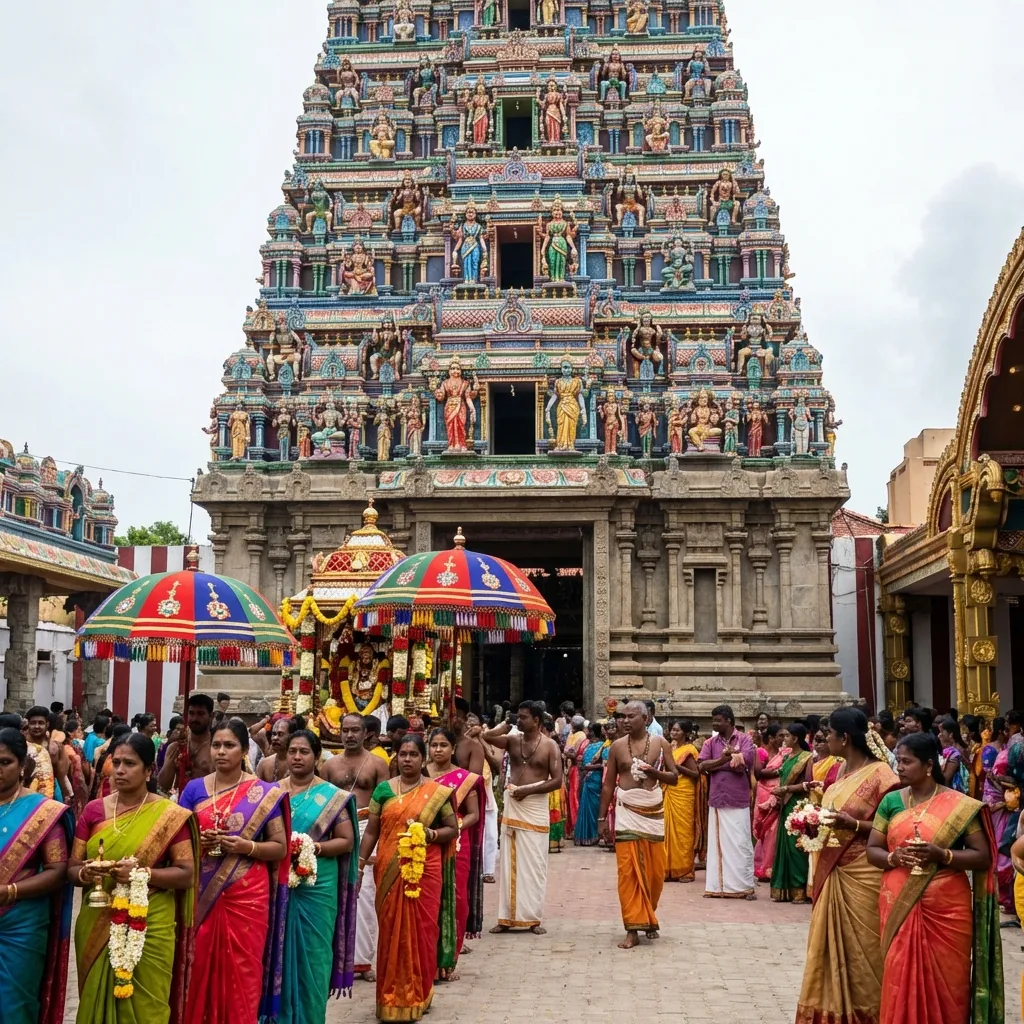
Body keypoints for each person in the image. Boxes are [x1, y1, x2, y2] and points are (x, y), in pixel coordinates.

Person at [866, 731, 1003, 1024]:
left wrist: (943, 855)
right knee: (899, 972)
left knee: (948, 982)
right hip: (898, 900)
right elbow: (872, 850)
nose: (899, 767)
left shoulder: (959, 805)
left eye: (906, 761)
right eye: (898, 761)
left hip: (947, 908)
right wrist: (894, 858)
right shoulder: (891, 801)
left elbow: (982, 857)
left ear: (929, 765)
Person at [68, 733, 197, 1024]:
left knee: (148, 1006)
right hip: (98, 917)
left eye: (130, 763)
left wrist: (141, 874)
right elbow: (72, 868)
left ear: (149, 770)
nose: (120, 770)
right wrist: (85, 872)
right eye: (116, 762)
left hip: (151, 921)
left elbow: (186, 874)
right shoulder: (93, 811)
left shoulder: (169, 816)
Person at [178, 719, 290, 1024]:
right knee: (198, 962)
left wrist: (245, 847)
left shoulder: (264, 793)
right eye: (216, 745)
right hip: (201, 889)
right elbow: (178, 839)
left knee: (243, 968)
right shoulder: (193, 790)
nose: (221, 752)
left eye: (229, 745)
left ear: (244, 751)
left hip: (247, 893)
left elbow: (280, 847)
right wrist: (200, 841)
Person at [795, 708, 899, 1024]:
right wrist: (810, 825)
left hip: (864, 873)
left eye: (829, 736)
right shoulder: (840, 772)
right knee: (828, 949)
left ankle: (874, 1013)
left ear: (846, 738)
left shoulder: (884, 776)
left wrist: (853, 824)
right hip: (834, 869)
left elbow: (894, 827)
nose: (824, 740)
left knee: (865, 950)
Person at [357, 734, 459, 1022]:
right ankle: (391, 998)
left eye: (414, 754)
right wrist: (361, 864)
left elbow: (452, 828)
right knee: (391, 931)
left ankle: (420, 993)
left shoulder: (436, 792)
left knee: (423, 932)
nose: (407, 759)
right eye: (403, 754)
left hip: (425, 870)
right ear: (396, 757)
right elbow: (372, 832)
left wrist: (431, 834)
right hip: (389, 869)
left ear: (422, 758)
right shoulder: (383, 792)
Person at [278, 730, 359, 1024]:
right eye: (292, 751)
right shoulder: (272, 793)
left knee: (314, 956)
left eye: (304, 752)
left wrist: (312, 847)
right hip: (280, 885)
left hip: (318, 885)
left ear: (316, 756)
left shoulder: (331, 797)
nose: (297, 757)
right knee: (278, 954)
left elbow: (346, 841)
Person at [0, 727, 72, 1024]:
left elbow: (58, 872)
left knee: (14, 1005)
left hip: (22, 924)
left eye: (4, 762)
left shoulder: (43, 811)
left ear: (22, 766)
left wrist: (10, 892)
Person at [599, 701, 677, 948]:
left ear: (645, 718)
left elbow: (674, 778)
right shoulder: (617, 748)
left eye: (631, 716)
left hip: (653, 811)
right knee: (628, 871)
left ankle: (648, 917)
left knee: (654, 873)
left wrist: (654, 774)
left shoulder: (660, 744)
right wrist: (602, 819)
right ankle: (632, 927)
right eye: (623, 716)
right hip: (626, 812)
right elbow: (609, 784)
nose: (625, 721)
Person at [322, 711, 390, 982]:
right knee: (336, 891)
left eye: (355, 730)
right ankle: (336, 958)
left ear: (366, 734)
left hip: (366, 828)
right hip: (337, 831)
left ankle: (361, 961)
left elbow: (385, 805)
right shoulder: (329, 766)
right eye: (345, 730)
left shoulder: (377, 764)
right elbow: (323, 802)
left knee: (364, 893)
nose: (349, 735)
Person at [484, 701, 563, 933]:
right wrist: (505, 725)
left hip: (535, 807)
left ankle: (532, 918)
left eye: (523, 717)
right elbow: (487, 737)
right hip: (514, 806)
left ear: (537, 721)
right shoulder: (512, 740)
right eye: (517, 717)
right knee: (509, 861)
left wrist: (527, 791)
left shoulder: (550, 746)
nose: (519, 721)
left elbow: (557, 780)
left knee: (535, 865)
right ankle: (506, 918)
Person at [426, 727, 484, 975]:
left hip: (457, 843)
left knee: (456, 899)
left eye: (443, 745)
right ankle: (428, 958)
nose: (438, 750)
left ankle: (448, 960)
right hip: (424, 840)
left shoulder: (464, 779)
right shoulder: (420, 774)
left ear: (453, 749)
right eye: (434, 745)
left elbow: (474, 814)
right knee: (430, 897)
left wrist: (455, 826)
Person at [698, 705, 757, 898]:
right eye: (713, 720)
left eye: (718, 720)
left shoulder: (745, 739)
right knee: (717, 844)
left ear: (729, 721)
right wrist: (725, 760)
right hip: (717, 798)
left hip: (738, 799)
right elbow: (702, 766)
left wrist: (717, 765)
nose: (715, 724)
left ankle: (742, 887)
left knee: (740, 843)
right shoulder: (710, 743)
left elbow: (746, 762)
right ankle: (718, 887)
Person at [768, 723, 814, 903]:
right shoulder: (787, 757)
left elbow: (808, 784)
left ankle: (799, 890)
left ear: (796, 739)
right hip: (785, 805)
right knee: (784, 847)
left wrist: (786, 788)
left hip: (798, 806)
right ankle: (784, 889)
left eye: (787, 736)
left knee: (796, 849)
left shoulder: (807, 758)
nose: (783, 739)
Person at [156, 692, 214, 795]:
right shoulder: (176, 747)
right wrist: (170, 762)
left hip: (208, 803)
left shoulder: (216, 747)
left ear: (211, 716)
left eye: (200, 714)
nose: (195, 719)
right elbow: (163, 784)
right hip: (181, 804)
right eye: (191, 713)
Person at [663, 719, 699, 881]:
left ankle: (684, 870)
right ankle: (667, 868)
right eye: (673, 730)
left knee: (683, 832)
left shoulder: (688, 750)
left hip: (683, 793)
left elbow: (695, 773)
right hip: (669, 790)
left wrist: (676, 767)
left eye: (677, 730)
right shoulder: (670, 747)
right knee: (666, 831)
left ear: (685, 732)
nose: (674, 732)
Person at [752, 723, 788, 883]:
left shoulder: (788, 753)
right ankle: (765, 867)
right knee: (767, 831)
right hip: (765, 792)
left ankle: (775, 867)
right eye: (780, 735)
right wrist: (781, 769)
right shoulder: (761, 751)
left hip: (781, 792)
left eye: (786, 735)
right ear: (772, 738)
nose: (784, 739)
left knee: (777, 830)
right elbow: (759, 773)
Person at [574, 722, 608, 846]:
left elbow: (604, 765)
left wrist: (591, 767)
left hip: (595, 779)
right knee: (585, 806)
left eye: (588, 730)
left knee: (594, 808)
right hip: (586, 779)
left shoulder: (602, 746)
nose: (586, 733)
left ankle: (595, 834)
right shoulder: (589, 745)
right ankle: (586, 836)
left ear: (592, 732)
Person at [24, 707, 68, 802]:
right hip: (24, 795)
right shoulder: (21, 745)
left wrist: (66, 796)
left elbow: (62, 776)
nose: (36, 726)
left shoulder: (56, 748)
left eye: (40, 723)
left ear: (47, 724)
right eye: (33, 723)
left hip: (51, 793)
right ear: (28, 724)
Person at [90, 723, 131, 800]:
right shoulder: (118, 759)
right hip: (114, 796)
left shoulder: (105, 755)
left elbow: (97, 780)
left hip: (101, 794)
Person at [257, 714, 303, 782]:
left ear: (291, 736)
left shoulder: (300, 763)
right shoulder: (264, 764)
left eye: (280, 734)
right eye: (274, 734)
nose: (275, 738)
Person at [938, 715, 970, 793]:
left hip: (953, 791)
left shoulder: (956, 751)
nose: (939, 735)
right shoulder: (952, 748)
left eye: (942, 732)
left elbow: (946, 778)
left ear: (951, 734)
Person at [812, 726, 843, 792]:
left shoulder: (837, 761)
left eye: (821, 740)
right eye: (816, 739)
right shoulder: (811, 759)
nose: (817, 743)